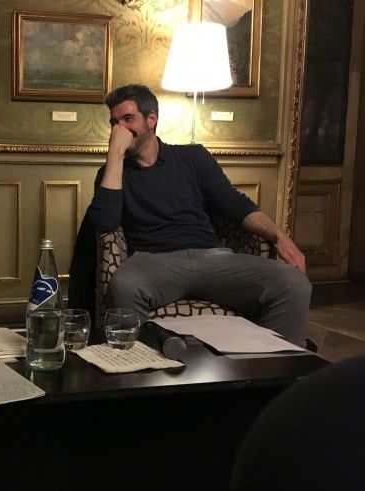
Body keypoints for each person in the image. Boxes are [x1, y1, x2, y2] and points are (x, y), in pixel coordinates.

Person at [88, 84, 311, 345]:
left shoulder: (193, 157)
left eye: (128, 119)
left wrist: (279, 236)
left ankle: (269, 362)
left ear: (151, 119)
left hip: (211, 259)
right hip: (154, 262)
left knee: (293, 283)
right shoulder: (112, 173)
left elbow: (235, 204)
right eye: (114, 123)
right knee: (125, 285)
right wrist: (115, 155)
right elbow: (105, 222)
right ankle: (145, 362)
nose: (120, 130)